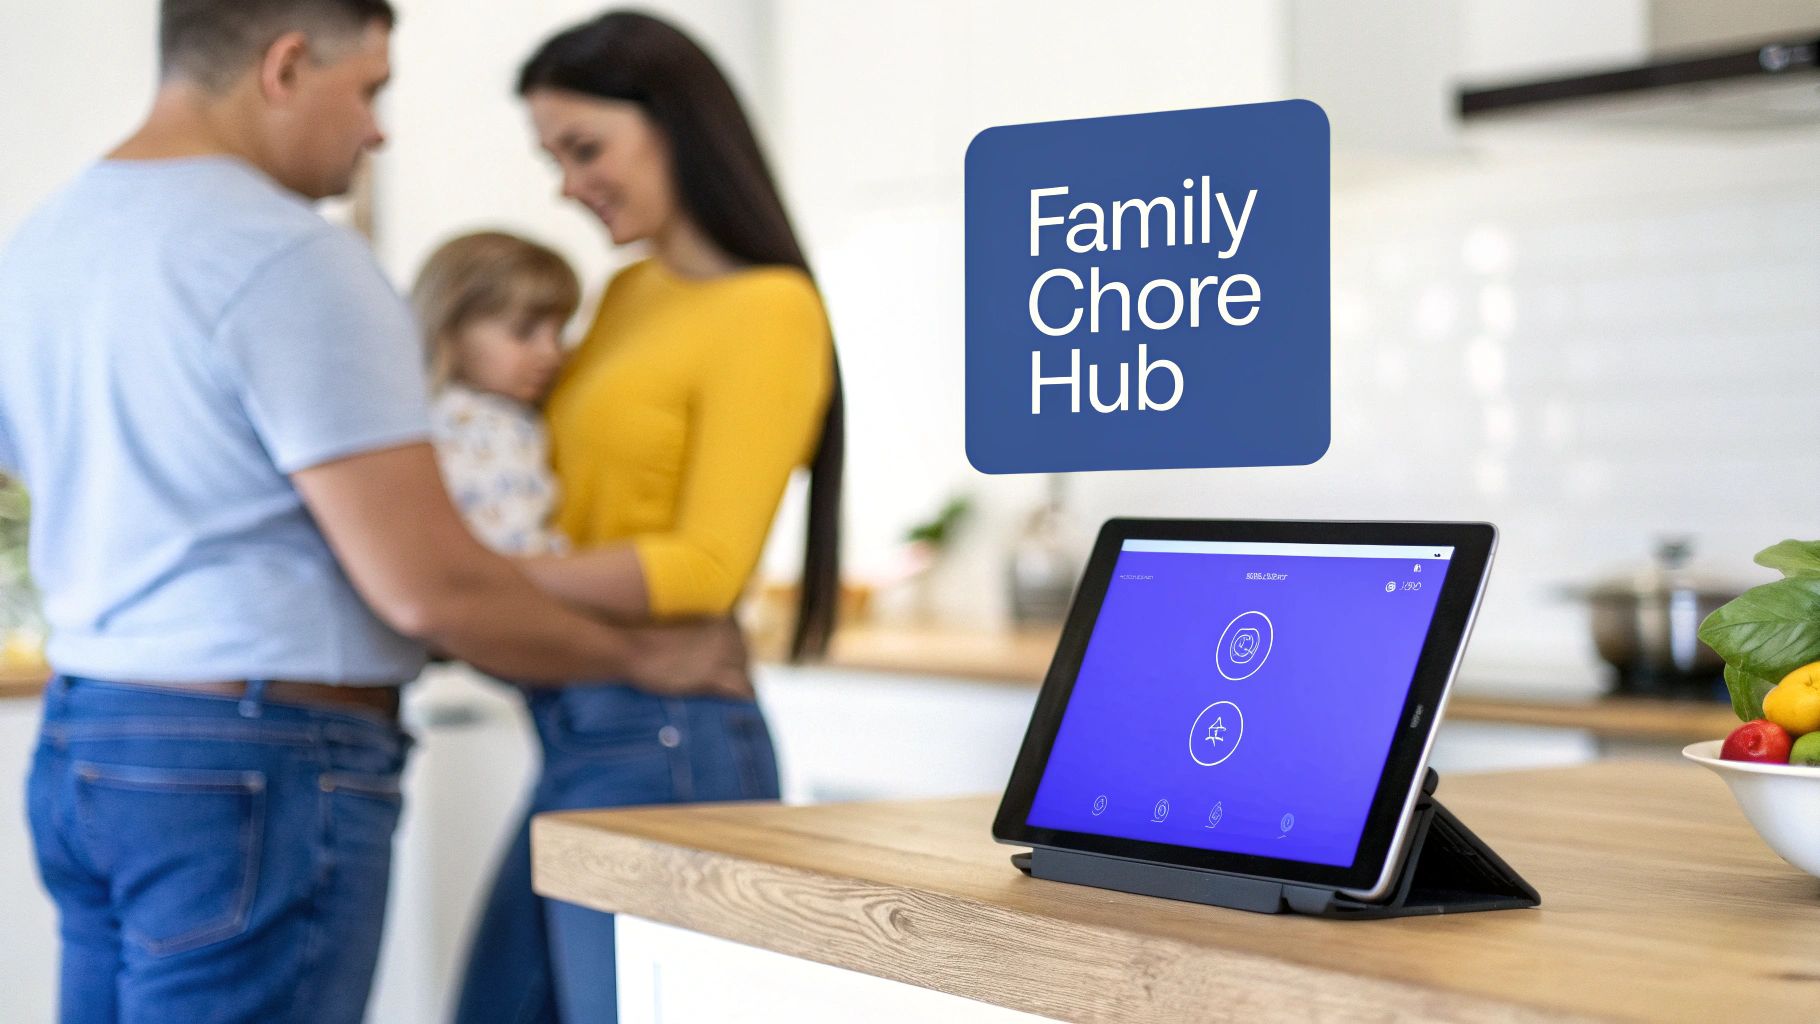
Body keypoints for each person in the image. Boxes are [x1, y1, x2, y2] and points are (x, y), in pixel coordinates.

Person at [0, 3, 746, 1021]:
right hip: (252, 764)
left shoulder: (41, 244)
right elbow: (429, 585)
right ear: (286, 66)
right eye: (369, 90)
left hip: (90, 737)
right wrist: (645, 658)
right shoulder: (293, 258)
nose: (377, 129)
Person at [453, 11, 845, 1022]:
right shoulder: (625, 294)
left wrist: (466, 577)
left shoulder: (769, 308)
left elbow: (705, 565)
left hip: (671, 735)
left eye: (585, 148)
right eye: (553, 157)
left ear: (673, 125)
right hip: (581, 724)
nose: (568, 184)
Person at [415, 230, 578, 556]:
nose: (551, 353)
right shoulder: (488, 427)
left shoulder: (430, 413)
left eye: (558, 333)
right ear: (452, 331)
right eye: (524, 332)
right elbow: (518, 547)